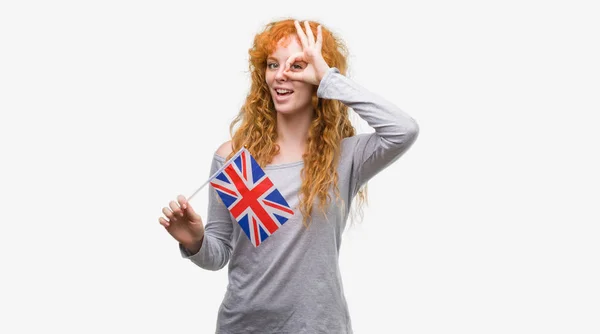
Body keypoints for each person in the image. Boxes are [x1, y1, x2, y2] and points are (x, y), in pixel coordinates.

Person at [159, 18, 419, 333]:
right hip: (244, 325)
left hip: (318, 326)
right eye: (272, 64)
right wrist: (197, 241)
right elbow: (218, 255)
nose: (280, 75)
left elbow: (403, 130)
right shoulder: (235, 157)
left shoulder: (345, 157)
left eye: (297, 66)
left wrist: (328, 78)